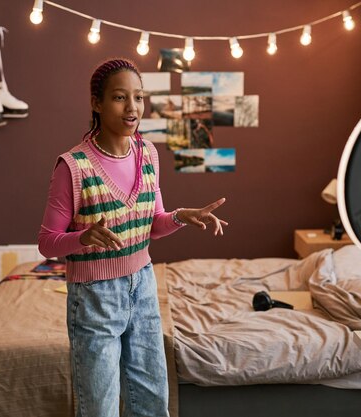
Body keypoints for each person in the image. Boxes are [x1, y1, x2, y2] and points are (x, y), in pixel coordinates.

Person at [38, 58, 227, 417]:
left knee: (153, 400)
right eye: (120, 97)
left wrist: (181, 217)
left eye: (138, 98)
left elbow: (153, 224)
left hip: (143, 285)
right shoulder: (73, 167)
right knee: (100, 407)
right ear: (97, 102)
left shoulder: (148, 155)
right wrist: (83, 238)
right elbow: (47, 242)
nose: (132, 108)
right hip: (94, 296)